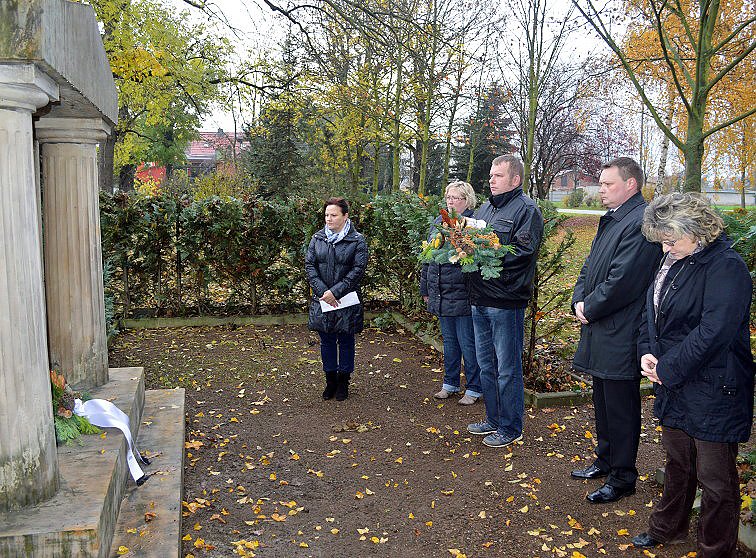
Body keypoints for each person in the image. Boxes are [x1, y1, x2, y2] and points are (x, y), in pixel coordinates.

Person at [631, 193, 753, 556]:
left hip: (716, 385)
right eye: (662, 241)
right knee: (678, 460)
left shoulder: (725, 267)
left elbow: (714, 331)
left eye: (671, 240)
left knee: (716, 478)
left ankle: (716, 549)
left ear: (698, 231)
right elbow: (650, 313)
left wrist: (667, 368)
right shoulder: (675, 258)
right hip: (675, 380)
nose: (666, 248)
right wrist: (647, 353)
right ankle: (668, 528)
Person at [570, 157, 662, 503]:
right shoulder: (613, 220)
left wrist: (589, 308)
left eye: (608, 184)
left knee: (621, 407)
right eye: (602, 183)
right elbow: (589, 265)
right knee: (603, 400)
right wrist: (579, 300)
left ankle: (623, 476)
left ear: (631, 185)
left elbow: (623, 281)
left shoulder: (640, 222)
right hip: (601, 326)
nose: (602, 190)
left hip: (621, 330)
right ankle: (605, 460)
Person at [464, 154, 543, 448]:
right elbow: (473, 241)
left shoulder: (526, 210)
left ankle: (511, 427)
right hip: (479, 297)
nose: (491, 180)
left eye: (498, 176)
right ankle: (494, 419)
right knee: (486, 365)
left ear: (515, 180)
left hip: (505, 301)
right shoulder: (485, 207)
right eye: (490, 175)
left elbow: (522, 254)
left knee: (507, 368)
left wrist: (484, 254)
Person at [420, 180, 482, 405]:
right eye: (448, 197)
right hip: (442, 293)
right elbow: (427, 259)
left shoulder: (473, 224)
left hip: (463, 294)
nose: (451, 201)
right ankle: (450, 383)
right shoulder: (439, 222)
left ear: (467, 200)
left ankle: (475, 387)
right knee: (449, 342)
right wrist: (426, 288)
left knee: (468, 343)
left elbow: (475, 260)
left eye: (456, 198)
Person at [305, 197, 368, 402]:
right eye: (326, 215)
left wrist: (336, 292)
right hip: (323, 298)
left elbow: (358, 270)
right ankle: (330, 381)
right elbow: (310, 266)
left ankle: (343, 382)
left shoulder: (357, 240)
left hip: (346, 300)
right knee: (327, 341)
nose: (328, 219)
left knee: (346, 341)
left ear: (345, 216)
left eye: (333, 215)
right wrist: (324, 291)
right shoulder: (317, 238)